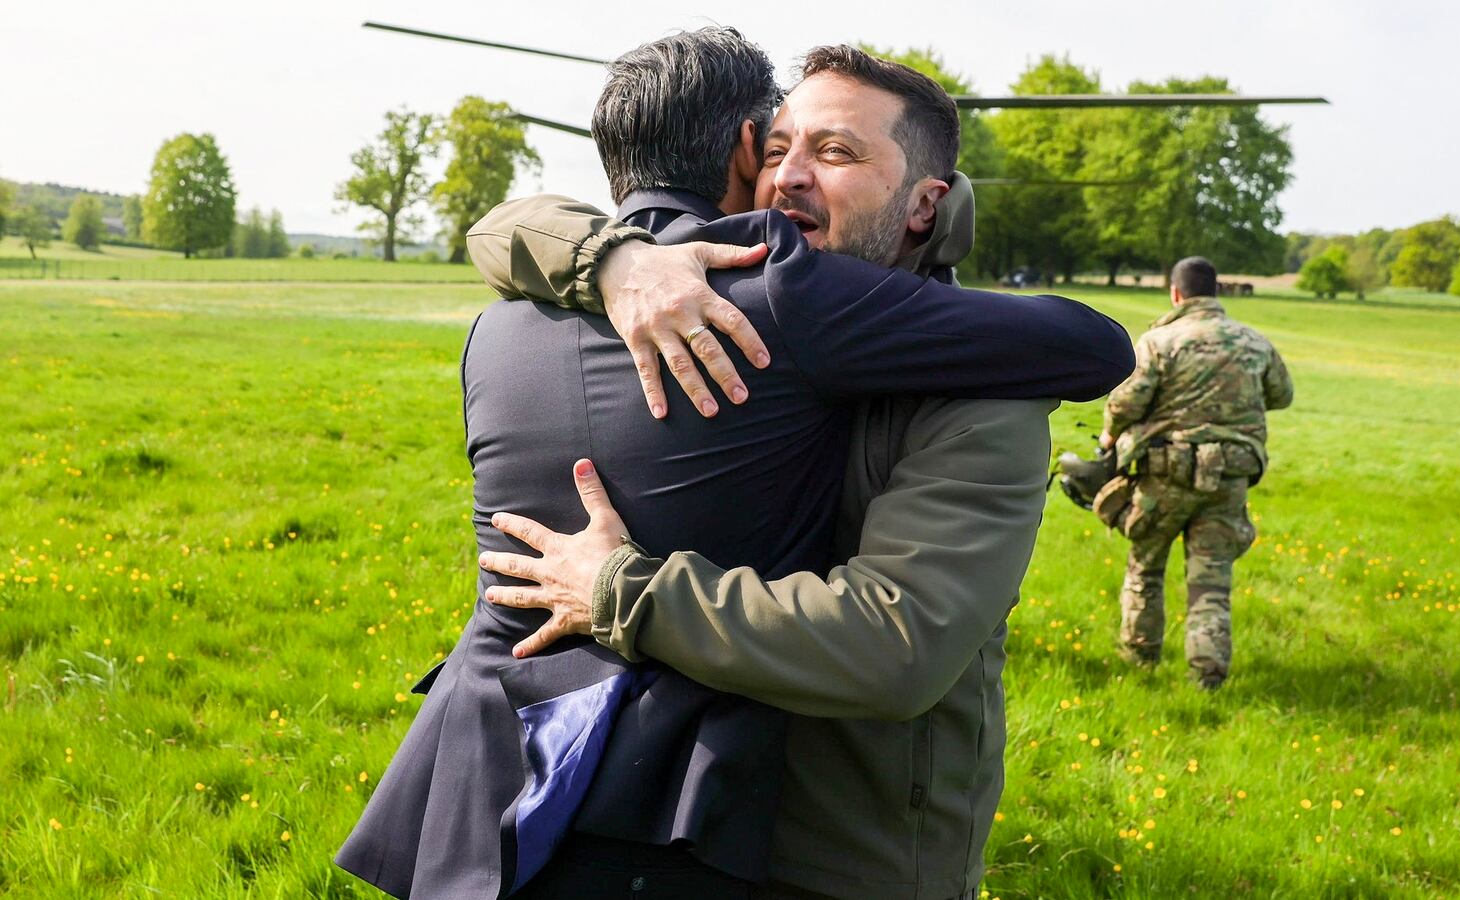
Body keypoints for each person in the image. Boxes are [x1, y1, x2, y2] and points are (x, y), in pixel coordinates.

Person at [336, 29, 1133, 900]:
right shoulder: (702, 297)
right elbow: (499, 228)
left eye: (835, 152)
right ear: (746, 151)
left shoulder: (980, 390)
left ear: (924, 205)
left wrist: (625, 589)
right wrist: (616, 258)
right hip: (675, 820)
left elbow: (898, 642)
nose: (791, 176)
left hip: (837, 851)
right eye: (782, 146)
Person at [1097, 256, 1294, 689]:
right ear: (1216, 292)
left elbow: (1125, 402)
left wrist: (1108, 439)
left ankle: (1139, 661)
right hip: (1229, 478)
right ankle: (1208, 674)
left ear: (1175, 293)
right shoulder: (1254, 342)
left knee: (1145, 568)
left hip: (1165, 475)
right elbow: (1282, 395)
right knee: (1211, 582)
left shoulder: (1158, 341)